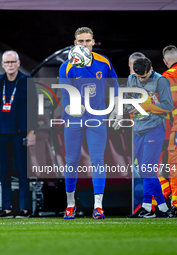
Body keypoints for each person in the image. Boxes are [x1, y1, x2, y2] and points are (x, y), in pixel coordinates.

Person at [59, 27, 120, 220]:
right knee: (71, 161)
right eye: (80, 41)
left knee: (98, 160)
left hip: (97, 118)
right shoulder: (67, 66)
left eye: (87, 41)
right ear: (74, 43)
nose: (84, 44)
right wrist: (69, 107)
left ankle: (98, 206)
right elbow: (65, 92)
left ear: (93, 42)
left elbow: (115, 85)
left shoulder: (104, 62)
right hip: (74, 119)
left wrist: (117, 109)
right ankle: (70, 204)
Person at [0, 50, 37, 219]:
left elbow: (34, 109)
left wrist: (32, 132)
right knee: (4, 172)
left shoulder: (27, 81)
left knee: (23, 172)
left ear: (18, 63)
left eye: (12, 62)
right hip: (1, 134)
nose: (9, 65)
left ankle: (24, 208)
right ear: (2, 64)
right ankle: (6, 208)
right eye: (6, 62)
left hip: (21, 133)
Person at [126, 57, 173, 218]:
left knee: (147, 169)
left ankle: (147, 207)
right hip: (138, 129)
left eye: (144, 77)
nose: (141, 80)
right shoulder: (132, 79)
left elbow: (168, 106)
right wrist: (131, 107)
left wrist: (149, 107)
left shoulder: (161, 81)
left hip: (155, 128)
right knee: (144, 169)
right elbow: (127, 101)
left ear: (151, 69)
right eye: (139, 77)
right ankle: (163, 207)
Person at [162, 45, 177, 217]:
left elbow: (168, 104)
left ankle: (176, 205)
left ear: (165, 62)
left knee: (175, 166)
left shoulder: (167, 77)